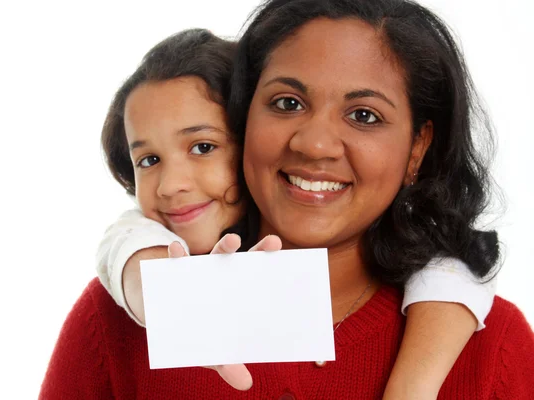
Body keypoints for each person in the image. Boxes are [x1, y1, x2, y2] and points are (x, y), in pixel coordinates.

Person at [40, 1, 534, 396]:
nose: (314, 144)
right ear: (242, 117)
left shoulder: (493, 346)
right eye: (287, 103)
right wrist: (161, 293)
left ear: (417, 149)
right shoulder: (121, 315)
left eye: (364, 115)